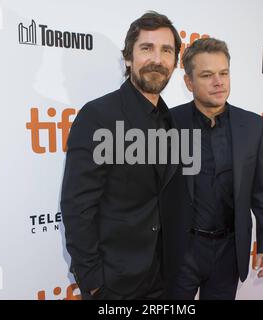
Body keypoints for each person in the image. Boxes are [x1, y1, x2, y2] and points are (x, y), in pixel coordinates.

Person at [60, 11, 181, 300]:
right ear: (128, 58)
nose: (157, 59)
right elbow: (78, 206)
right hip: (114, 285)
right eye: (146, 48)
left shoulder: (170, 121)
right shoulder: (98, 116)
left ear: (175, 62)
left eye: (167, 50)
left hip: (164, 279)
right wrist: (94, 282)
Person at [168, 38, 263, 300]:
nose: (219, 82)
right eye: (207, 75)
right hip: (181, 253)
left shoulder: (252, 126)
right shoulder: (168, 122)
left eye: (224, 73)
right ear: (189, 82)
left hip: (229, 253)